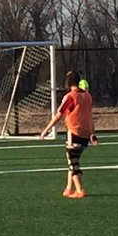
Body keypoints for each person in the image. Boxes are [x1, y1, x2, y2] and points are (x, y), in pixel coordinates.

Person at [40, 70, 98, 199]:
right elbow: (89, 115)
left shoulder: (71, 97)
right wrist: (92, 133)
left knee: (73, 162)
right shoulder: (87, 96)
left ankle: (80, 190)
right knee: (72, 160)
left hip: (75, 131)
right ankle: (68, 188)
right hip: (86, 133)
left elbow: (59, 115)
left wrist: (46, 129)